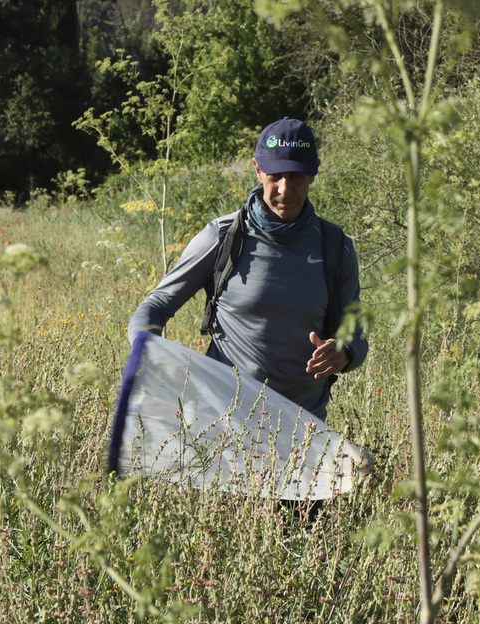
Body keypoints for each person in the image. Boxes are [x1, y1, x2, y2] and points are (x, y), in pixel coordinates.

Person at [127, 117, 367, 423]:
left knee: (362, 469)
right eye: (274, 175)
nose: (285, 188)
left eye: (295, 176)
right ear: (257, 169)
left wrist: (345, 352)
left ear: (314, 171)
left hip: (302, 429)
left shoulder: (335, 246)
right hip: (223, 421)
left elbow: (356, 333)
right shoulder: (223, 236)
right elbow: (156, 305)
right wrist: (146, 348)